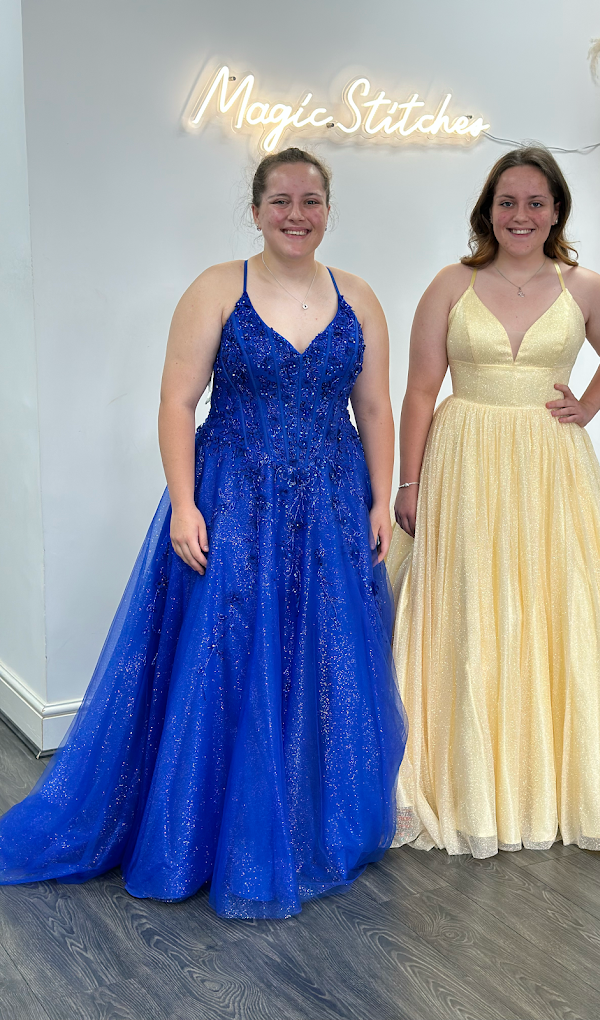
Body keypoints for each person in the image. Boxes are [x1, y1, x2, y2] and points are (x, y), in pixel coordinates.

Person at [0, 147, 406, 917]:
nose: (296, 214)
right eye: (280, 200)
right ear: (255, 209)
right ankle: (204, 831)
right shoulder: (219, 288)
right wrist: (184, 504)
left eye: (311, 200)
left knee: (322, 659)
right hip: (233, 503)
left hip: (327, 505)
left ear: (328, 209)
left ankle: (305, 820)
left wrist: (378, 500)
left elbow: (376, 410)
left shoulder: (358, 296)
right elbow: (176, 403)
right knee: (226, 659)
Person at [387, 146, 600, 858]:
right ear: (486, 211)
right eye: (506, 202)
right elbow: (417, 390)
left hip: (551, 467)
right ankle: (467, 779)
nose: (519, 215)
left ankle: (557, 781)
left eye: (534, 202)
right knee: (468, 605)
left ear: (555, 209)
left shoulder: (585, 288)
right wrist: (409, 481)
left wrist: (585, 404)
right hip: (463, 457)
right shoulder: (448, 285)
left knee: (558, 605)